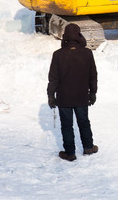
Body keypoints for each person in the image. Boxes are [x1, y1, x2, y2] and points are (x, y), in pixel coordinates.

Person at [47, 23, 98, 162]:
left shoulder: (58, 55)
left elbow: (53, 78)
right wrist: (93, 93)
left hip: (64, 97)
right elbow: (93, 76)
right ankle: (88, 147)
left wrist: (51, 95)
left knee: (66, 125)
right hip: (81, 96)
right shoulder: (87, 53)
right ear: (79, 35)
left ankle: (70, 153)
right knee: (84, 122)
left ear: (65, 37)